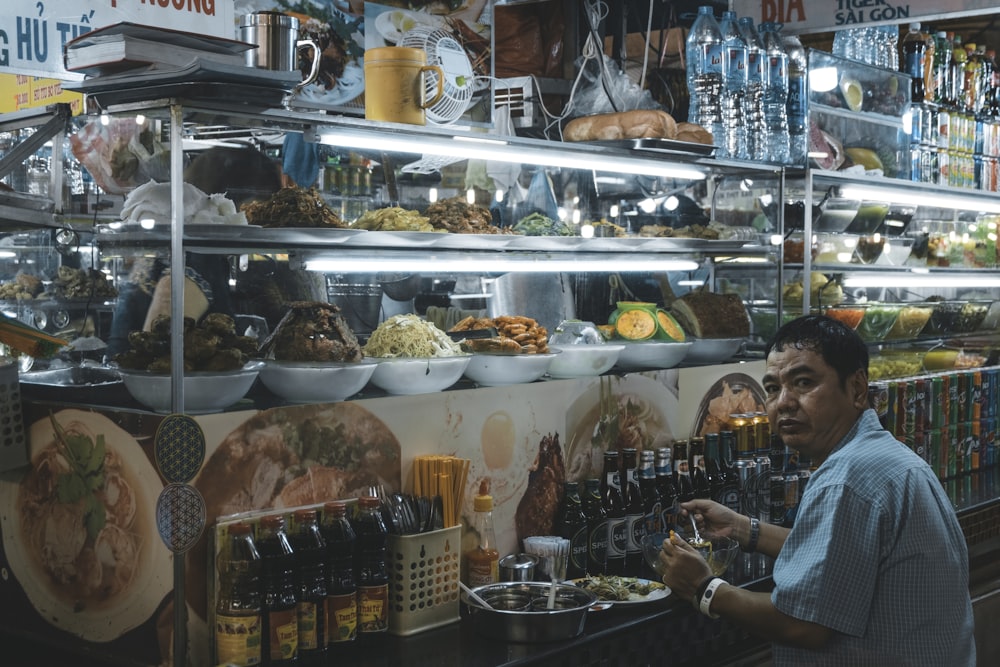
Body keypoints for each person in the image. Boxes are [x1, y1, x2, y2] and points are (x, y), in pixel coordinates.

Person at [660, 314, 975, 666]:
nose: (783, 403)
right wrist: (740, 528)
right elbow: (840, 556)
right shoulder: (883, 455)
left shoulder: (847, 478)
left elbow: (804, 624)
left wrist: (703, 588)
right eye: (774, 388)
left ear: (856, 389)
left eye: (804, 382)